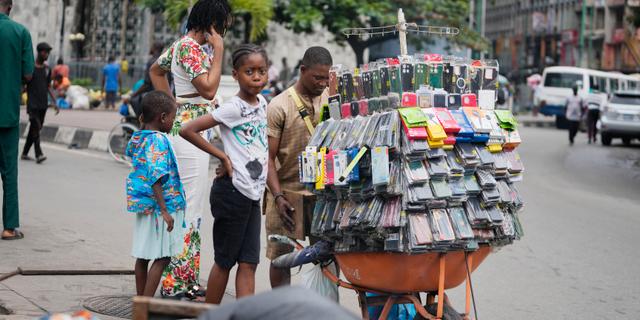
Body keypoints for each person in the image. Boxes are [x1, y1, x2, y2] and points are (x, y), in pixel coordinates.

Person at [149, 0, 233, 298]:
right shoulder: (191, 49)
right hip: (189, 135)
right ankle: (176, 284)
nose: (225, 27)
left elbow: (155, 71)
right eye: (224, 21)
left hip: (187, 129)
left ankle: (184, 279)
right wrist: (220, 49)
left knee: (190, 207)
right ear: (214, 21)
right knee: (189, 208)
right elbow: (208, 90)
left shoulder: (182, 46)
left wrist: (171, 105)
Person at [180, 44, 269, 304]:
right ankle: (210, 312)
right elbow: (188, 130)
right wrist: (222, 156)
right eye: (249, 71)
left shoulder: (262, 102)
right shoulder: (233, 108)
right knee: (225, 261)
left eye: (261, 71)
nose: (256, 77)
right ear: (236, 74)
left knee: (249, 261)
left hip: (252, 193)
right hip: (232, 192)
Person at [265, 46, 332, 287]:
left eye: (327, 77)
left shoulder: (330, 99)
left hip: (322, 195)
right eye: (317, 77)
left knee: (326, 257)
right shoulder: (279, 106)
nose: (323, 83)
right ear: (303, 70)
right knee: (281, 258)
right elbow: (268, 159)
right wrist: (278, 197)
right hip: (286, 195)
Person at [126, 91, 186, 297]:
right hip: (161, 207)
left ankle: (140, 305)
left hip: (145, 206)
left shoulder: (140, 137)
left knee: (143, 256)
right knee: (163, 257)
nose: (173, 122)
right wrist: (164, 211)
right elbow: (156, 176)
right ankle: (146, 306)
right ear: (162, 118)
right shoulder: (159, 140)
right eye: (172, 117)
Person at [0, 0, 34, 240]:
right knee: (9, 172)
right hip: (7, 113)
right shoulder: (20, 32)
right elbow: (29, 74)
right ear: (9, 8)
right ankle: (9, 227)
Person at [21, 42, 59, 163]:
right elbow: (23, 85)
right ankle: (39, 154)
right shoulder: (30, 68)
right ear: (39, 52)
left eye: (48, 52)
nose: (46, 54)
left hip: (43, 104)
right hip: (32, 104)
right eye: (44, 52)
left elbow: (48, 86)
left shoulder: (47, 69)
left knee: (35, 128)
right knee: (36, 126)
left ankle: (25, 153)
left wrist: (54, 102)